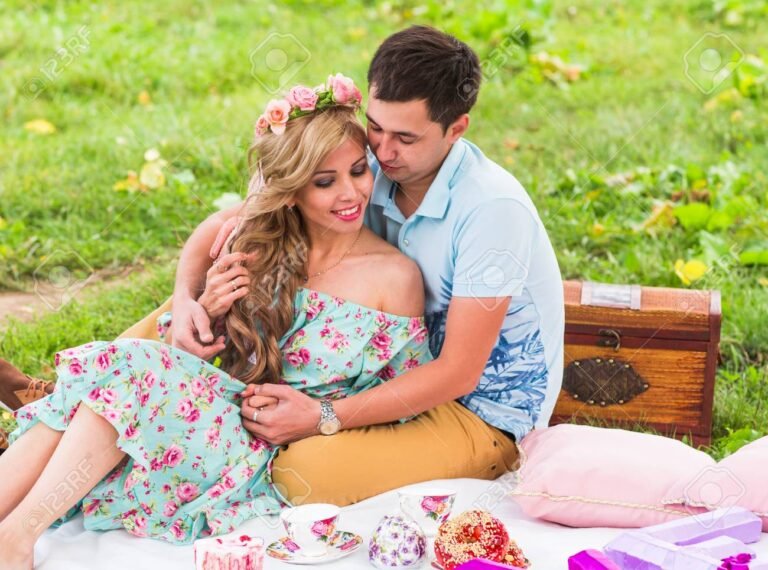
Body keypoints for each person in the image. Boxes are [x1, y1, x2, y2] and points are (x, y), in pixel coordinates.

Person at [0, 75, 433, 568]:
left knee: (126, 370)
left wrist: (320, 418)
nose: (351, 193)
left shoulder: (394, 278)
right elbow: (208, 231)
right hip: (217, 416)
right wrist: (189, 302)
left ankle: (15, 537)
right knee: (121, 373)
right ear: (289, 191)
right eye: (324, 181)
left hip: (262, 457)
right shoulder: (265, 238)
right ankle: (10, 532)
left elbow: (404, 396)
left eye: (359, 171)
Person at [160, 25, 565, 506]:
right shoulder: (363, 169)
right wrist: (186, 297)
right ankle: (91, 405)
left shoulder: (491, 210)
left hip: (475, 414)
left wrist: (324, 416)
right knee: (169, 327)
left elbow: (459, 372)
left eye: (405, 138)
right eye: (376, 126)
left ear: (456, 129)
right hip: (380, 375)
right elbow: (227, 223)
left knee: (300, 474)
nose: (382, 151)